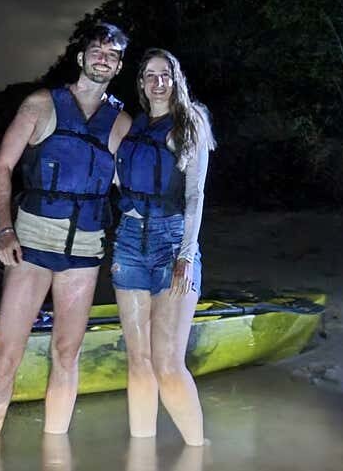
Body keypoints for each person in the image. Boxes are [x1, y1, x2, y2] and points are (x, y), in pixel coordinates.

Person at [0, 23, 131, 438]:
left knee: (67, 353)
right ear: (80, 58)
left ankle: (55, 453)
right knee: (7, 354)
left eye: (113, 55)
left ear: (118, 67)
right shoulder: (40, 104)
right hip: (32, 244)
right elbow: (3, 167)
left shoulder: (121, 124)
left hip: (85, 249)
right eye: (97, 50)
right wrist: (4, 229)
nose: (104, 57)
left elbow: (134, 188)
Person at [112, 48, 216, 446]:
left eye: (165, 74)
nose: (158, 81)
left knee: (168, 364)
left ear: (176, 80)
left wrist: (186, 255)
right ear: (140, 83)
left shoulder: (190, 123)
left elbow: (195, 195)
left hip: (172, 243)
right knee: (138, 362)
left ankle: (197, 451)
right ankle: (142, 455)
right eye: (150, 75)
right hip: (128, 244)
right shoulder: (132, 126)